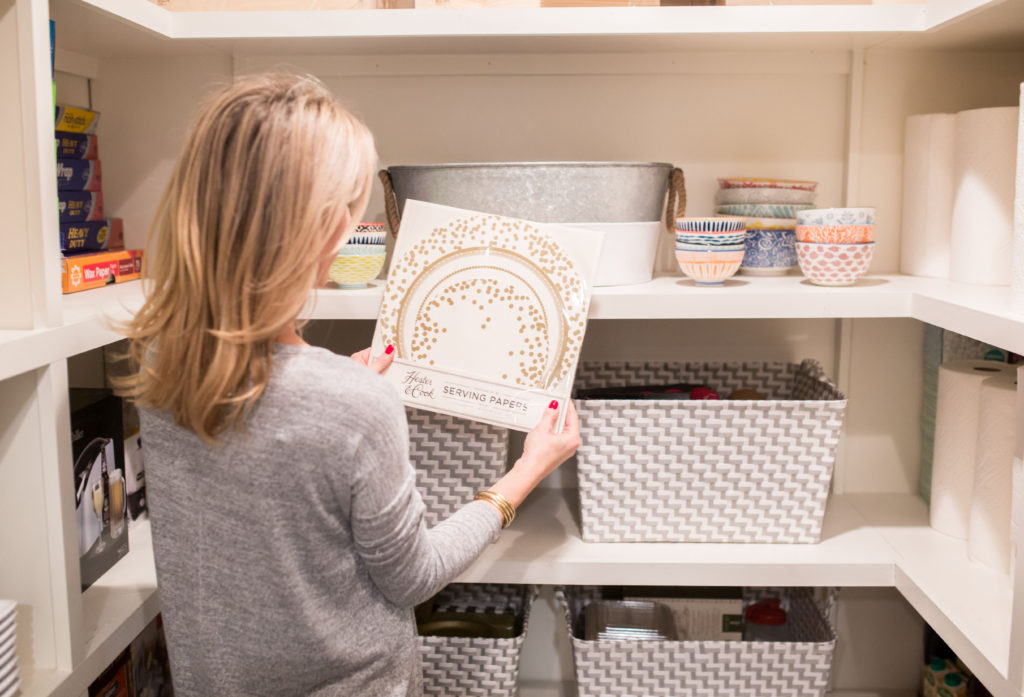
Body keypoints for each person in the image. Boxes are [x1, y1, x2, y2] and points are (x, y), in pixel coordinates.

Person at [115, 73, 580, 697]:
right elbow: (413, 578)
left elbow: (259, 485)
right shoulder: (355, 404)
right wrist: (525, 473)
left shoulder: (159, 367)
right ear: (332, 231)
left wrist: (335, 392)